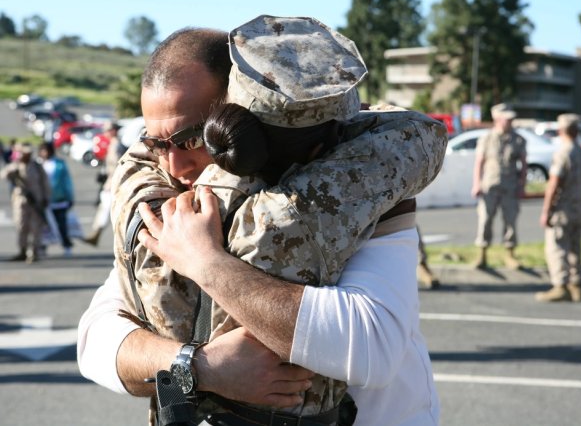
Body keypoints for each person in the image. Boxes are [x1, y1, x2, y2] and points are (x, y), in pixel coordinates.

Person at [79, 23, 441, 426]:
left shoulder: (366, 178)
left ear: (242, 116)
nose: (173, 167)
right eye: (157, 144)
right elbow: (97, 340)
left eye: (191, 140)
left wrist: (207, 264)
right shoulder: (165, 200)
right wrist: (201, 367)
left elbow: (372, 346)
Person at [536, 113, 581, 302]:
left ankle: (560, 285)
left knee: (557, 246)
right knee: (575, 247)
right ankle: (576, 285)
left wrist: (546, 211)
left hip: (563, 209)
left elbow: (554, 184)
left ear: (561, 131)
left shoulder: (562, 153)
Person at [471, 103, 527, 270]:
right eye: (506, 119)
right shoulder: (486, 138)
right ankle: (482, 254)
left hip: (510, 186)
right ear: (497, 119)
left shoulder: (518, 139)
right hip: (489, 186)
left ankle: (510, 255)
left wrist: (522, 185)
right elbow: (479, 163)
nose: (510, 122)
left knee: (510, 221)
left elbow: (523, 165)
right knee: (485, 220)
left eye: (511, 119)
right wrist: (476, 184)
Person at [0, 142, 50, 262]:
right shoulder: (15, 166)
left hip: (36, 202)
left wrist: (46, 199)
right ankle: (22, 251)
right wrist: (12, 174)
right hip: (20, 201)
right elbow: (3, 174)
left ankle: (34, 252)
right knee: (21, 226)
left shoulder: (37, 167)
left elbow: (45, 184)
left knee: (35, 228)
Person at [83, 121, 124, 246]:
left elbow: (118, 166)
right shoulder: (112, 144)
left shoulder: (116, 145)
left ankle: (97, 233)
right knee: (106, 207)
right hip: (110, 181)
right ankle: (96, 233)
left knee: (109, 208)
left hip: (115, 182)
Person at [37, 142, 75, 256]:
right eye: (43, 150)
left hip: (59, 198)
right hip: (42, 200)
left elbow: (67, 181)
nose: (45, 153)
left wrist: (70, 197)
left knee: (61, 224)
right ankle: (43, 246)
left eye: (47, 150)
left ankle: (66, 245)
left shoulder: (59, 164)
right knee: (43, 226)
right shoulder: (37, 164)